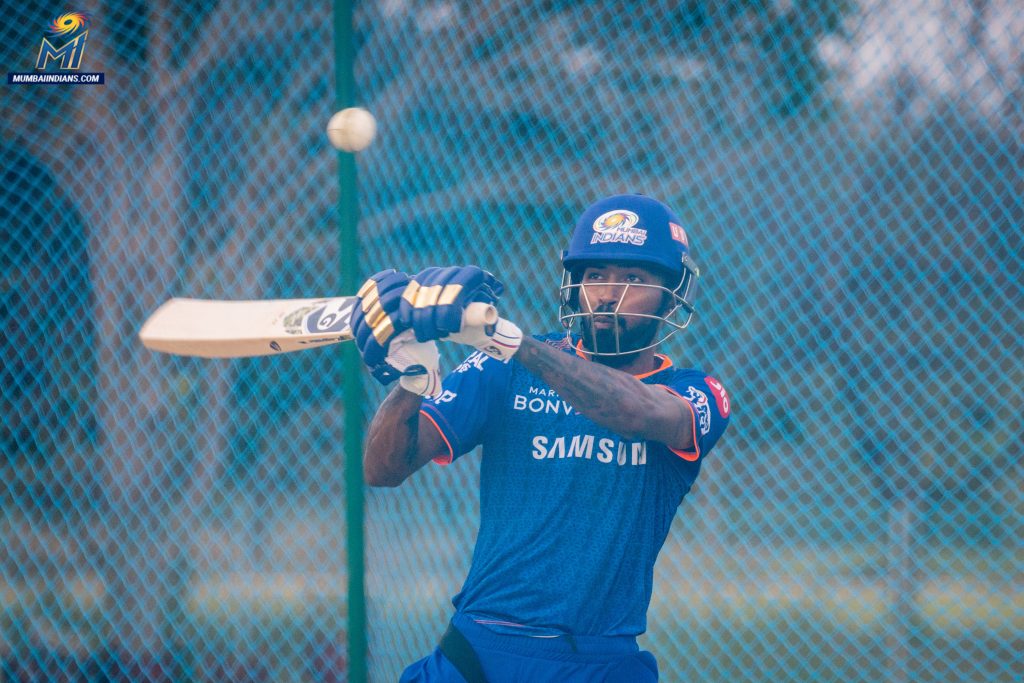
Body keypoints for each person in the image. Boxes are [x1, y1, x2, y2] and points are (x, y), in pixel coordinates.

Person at [351, 194, 731, 682]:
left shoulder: (696, 393)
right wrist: (411, 381)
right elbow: (381, 470)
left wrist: (513, 343)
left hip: (598, 663)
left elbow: (634, 411)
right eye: (595, 276)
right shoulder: (501, 368)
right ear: (574, 284)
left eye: (633, 278)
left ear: (671, 292)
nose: (608, 294)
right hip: (477, 653)